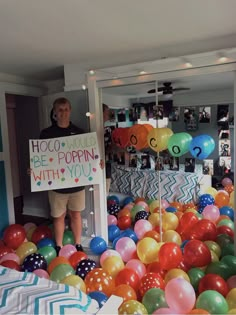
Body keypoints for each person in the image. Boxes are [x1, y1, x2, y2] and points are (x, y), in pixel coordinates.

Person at [39, 97, 85, 254]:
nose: (63, 113)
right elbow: (41, 158)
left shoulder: (79, 133)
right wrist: (35, 170)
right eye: (60, 110)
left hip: (77, 184)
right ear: (55, 113)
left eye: (66, 109)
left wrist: (95, 163)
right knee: (58, 217)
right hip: (56, 186)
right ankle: (59, 246)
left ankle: (78, 244)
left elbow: (87, 157)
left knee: (76, 215)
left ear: (70, 111)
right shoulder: (46, 134)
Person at [103, 104, 112, 194]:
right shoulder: (92, 129)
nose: (108, 115)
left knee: (105, 193)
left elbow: (110, 148)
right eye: (106, 112)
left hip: (107, 167)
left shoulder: (108, 130)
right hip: (95, 167)